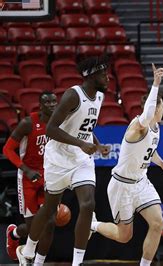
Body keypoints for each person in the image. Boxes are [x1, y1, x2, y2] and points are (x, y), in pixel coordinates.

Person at [16, 56, 111, 266]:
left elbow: (86, 126)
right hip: (58, 158)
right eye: (103, 73)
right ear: (90, 75)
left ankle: (77, 263)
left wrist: (98, 143)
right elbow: (50, 129)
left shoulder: (99, 98)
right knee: (49, 209)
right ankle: (29, 249)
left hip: (81, 159)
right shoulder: (72, 95)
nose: (108, 77)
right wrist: (80, 143)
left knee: (88, 204)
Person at [90, 64, 163, 266]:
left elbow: (149, 150)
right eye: (161, 107)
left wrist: (162, 164)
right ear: (155, 108)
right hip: (122, 185)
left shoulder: (155, 127)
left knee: (158, 223)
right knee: (124, 235)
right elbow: (146, 117)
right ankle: (94, 225)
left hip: (141, 182)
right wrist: (155, 83)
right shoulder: (138, 126)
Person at [3, 91, 57, 262]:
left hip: (48, 177)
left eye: (54, 102)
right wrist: (25, 169)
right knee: (33, 227)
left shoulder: (59, 122)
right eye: (47, 102)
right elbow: (7, 149)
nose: (51, 105)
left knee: (49, 224)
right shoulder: (28, 123)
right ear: (40, 105)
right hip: (28, 177)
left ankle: (37, 262)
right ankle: (14, 234)